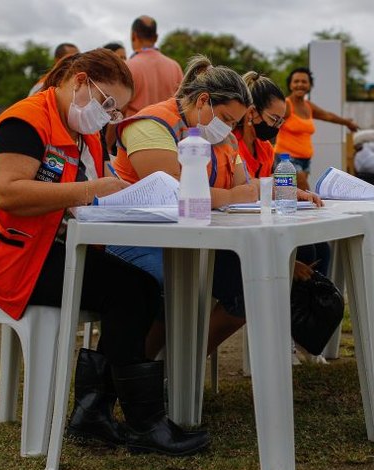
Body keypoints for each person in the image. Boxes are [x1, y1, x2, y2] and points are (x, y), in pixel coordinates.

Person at [0, 49, 209, 456]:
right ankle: (138, 420)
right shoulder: (24, 120)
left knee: (143, 288)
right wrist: (90, 190)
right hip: (9, 257)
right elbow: (7, 192)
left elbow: (94, 191)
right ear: (79, 81)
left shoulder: (82, 132)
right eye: (107, 103)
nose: (109, 114)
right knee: (128, 292)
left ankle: (97, 411)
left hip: (49, 249)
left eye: (116, 109)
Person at [110, 57, 320, 356]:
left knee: (251, 282)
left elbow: (240, 185)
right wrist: (236, 195)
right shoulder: (151, 124)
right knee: (178, 283)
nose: (230, 128)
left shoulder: (221, 137)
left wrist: (279, 191)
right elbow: (176, 193)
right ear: (203, 100)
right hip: (140, 237)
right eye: (226, 118)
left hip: (197, 237)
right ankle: (142, 367)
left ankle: (183, 362)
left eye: (234, 122)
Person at [232, 71, 330, 276]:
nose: (277, 127)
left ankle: (306, 301)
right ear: (251, 113)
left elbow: (270, 190)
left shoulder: (265, 148)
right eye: (274, 119)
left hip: (263, 222)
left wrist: (298, 194)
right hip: (238, 228)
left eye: (280, 122)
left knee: (320, 247)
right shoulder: (232, 143)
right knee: (305, 251)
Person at [274, 67, 359, 191]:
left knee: (296, 195)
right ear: (290, 85)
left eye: (304, 82)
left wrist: (347, 123)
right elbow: (272, 122)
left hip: (305, 160)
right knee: (304, 190)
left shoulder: (308, 106)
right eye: (296, 81)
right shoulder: (286, 105)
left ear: (309, 85)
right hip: (287, 158)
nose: (300, 85)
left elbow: (328, 116)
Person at [125, 15, 183, 117]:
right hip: (168, 130)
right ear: (156, 37)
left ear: (133, 36)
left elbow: (119, 110)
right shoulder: (175, 67)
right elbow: (182, 104)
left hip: (135, 130)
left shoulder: (127, 67)